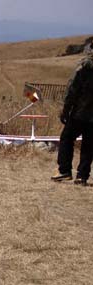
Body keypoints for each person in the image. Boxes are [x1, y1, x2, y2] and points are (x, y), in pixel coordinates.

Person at [52, 45, 93, 185]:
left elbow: (72, 89)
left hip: (79, 113)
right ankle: (82, 176)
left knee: (66, 138)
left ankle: (64, 170)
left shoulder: (85, 65)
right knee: (89, 144)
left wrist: (65, 110)